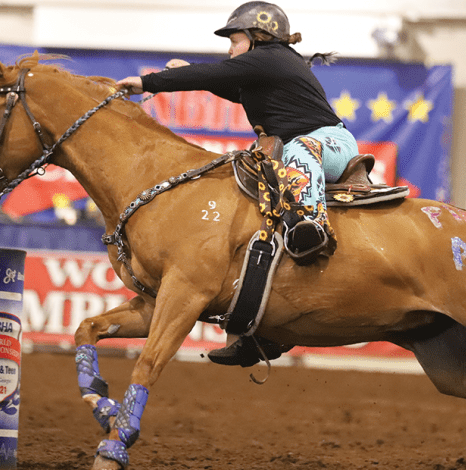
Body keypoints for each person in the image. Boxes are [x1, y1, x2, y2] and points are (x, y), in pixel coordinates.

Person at [117, 2, 358, 367]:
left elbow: (216, 74)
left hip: (331, 144)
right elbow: (228, 87)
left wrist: (148, 82)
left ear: (258, 38)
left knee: (299, 149)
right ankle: (259, 330)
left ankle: (312, 223)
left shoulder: (273, 57)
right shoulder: (266, 67)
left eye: (235, 39)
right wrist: (187, 75)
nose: (230, 47)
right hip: (299, 154)